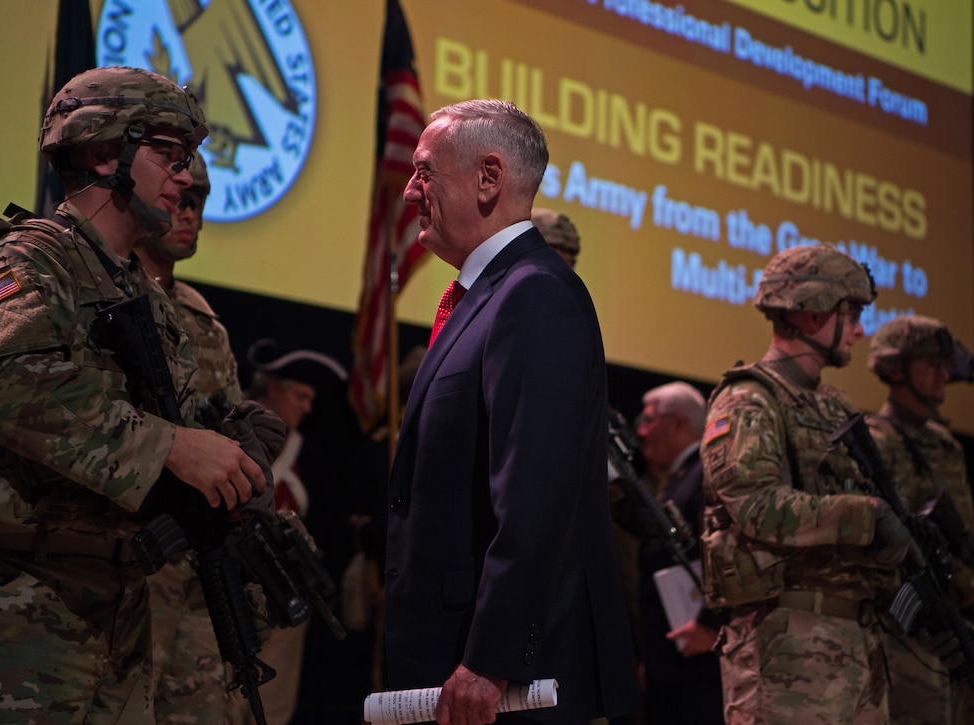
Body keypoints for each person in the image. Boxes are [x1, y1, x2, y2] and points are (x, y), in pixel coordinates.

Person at [0, 66, 272, 724]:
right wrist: (172, 445)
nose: (187, 177)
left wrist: (230, 452)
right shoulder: (26, 263)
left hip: (115, 622)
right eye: (171, 154)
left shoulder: (138, 292)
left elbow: (158, 431)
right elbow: (8, 386)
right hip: (14, 629)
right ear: (106, 150)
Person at [385, 98, 639, 725]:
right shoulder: (490, 297)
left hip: (505, 685)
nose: (411, 189)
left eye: (424, 171)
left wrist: (492, 657)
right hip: (461, 666)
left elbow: (535, 494)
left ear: (489, 178)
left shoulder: (533, 295)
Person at [699, 243, 922, 724]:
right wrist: (867, 518)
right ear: (810, 312)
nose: (861, 330)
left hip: (859, 642)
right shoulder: (748, 398)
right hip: (786, 646)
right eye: (852, 312)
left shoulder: (838, 408)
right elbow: (755, 503)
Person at [135, 153, 251, 724]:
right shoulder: (99, 296)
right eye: (180, 200)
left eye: (199, 204)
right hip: (125, 562)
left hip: (197, 560)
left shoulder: (204, 322)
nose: (189, 216)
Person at [865, 314, 974, 725]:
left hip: (957, 616)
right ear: (896, 369)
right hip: (907, 631)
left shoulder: (945, 444)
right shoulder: (877, 442)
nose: (943, 375)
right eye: (931, 365)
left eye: (945, 365)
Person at [245, 340, 347, 725]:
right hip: (214, 589)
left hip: (279, 598)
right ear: (274, 388)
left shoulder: (310, 455)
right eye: (300, 395)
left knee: (271, 707)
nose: (307, 407)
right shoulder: (227, 432)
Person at [614, 382, 723, 725]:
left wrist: (710, 623)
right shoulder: (681, 477)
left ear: (677, 422)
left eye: (648, 421)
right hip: (675, 661)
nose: (641, 432)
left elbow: (731, 550)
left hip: (698, 663)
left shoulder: (705, 475)